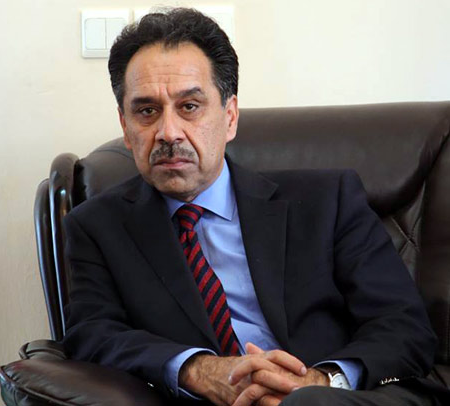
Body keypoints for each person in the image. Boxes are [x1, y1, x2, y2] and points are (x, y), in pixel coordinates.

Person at [63, 7, 446, 406]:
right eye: (147, 111)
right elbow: (93, 335)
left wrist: (320, 382)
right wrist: (197, 370)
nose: (168, 132)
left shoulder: (326, 201)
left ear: (229, 117)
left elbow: (403, 326)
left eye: (190, 106)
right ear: (126, 128)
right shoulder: (98, 226)